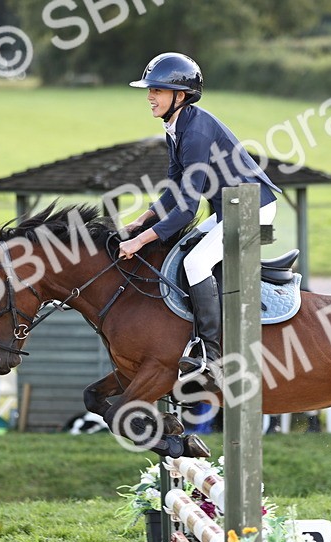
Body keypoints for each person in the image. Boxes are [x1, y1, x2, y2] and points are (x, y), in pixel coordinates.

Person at [117, 52, 282, 390]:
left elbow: (186, 210)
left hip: (253, 208)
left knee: (195, 263)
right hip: (228, 208)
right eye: (150, 90)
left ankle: (212, 353)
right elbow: (175, 189)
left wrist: (139, 241)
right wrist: (142, 219)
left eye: (157, 91)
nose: (150, 97)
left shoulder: (194, 134)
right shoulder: (176, 127)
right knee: (184, 249)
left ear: (180, 95)